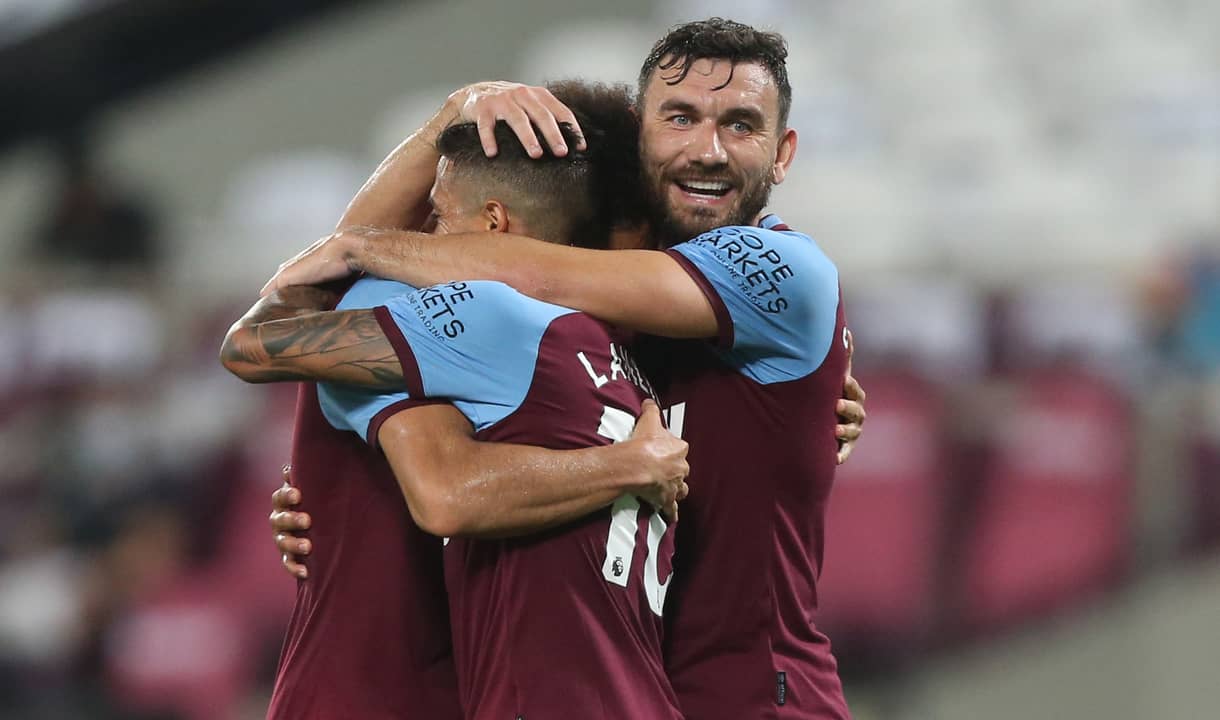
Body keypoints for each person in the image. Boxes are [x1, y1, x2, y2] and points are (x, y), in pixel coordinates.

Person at [266, 18, 863, 719]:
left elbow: (525, 276)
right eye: (681, 117)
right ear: (643, 132)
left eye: (741, 125)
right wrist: (355, 493)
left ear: (783, 151)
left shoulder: (780, 271)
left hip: (755, 697)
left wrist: (360, 248)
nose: (709, 150)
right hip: (622, 690)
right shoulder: (578, 322)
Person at [222, 83, 688, 719]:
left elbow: (255, 342)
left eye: (439, 216)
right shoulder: (618, 359)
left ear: (494, 224)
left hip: (378, 691)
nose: (421, 235)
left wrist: (441, 126)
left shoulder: (456, 312)